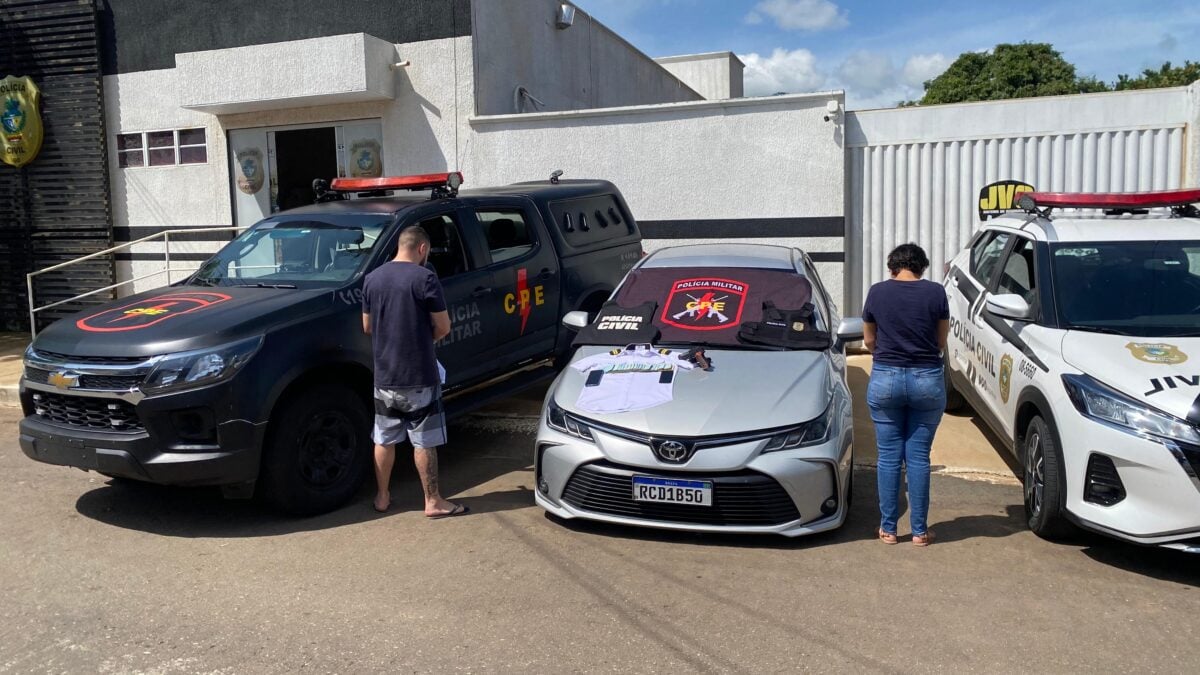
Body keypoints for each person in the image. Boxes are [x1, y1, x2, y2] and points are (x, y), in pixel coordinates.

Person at [362, 226, 468, 518]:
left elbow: (367, 327)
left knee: (383, 438)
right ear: (422, 249)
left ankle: (382, 497)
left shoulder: (372, 279)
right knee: (424, 440)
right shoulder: (425, 278)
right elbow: (444, 326)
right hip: (419, 374)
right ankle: (432, 501)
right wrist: (422, 339)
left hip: (384, 376)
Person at [862, 243, 949, 547]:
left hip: (886, 376)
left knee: (888, 457)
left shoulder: (877, 292)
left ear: (892, 267)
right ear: (922, 267)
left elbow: (869, 339)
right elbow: (940, 341)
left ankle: (888, 530)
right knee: (918, 457)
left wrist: (886, 354)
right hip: (927, 379)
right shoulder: (936, 293)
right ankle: (920, 532)